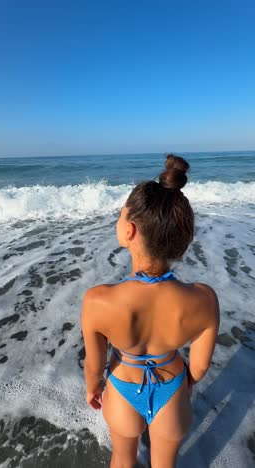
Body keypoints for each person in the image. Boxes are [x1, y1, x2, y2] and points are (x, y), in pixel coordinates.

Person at [81, 154, 220, 468]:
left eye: (119, 216)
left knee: (123, 457)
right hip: (172, 388)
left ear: (129, 230)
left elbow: (94, 365)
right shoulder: (203, 299)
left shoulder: (97, 301)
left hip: (122, 387)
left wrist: (93, 388)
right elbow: (197, 370)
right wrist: (178, 389)